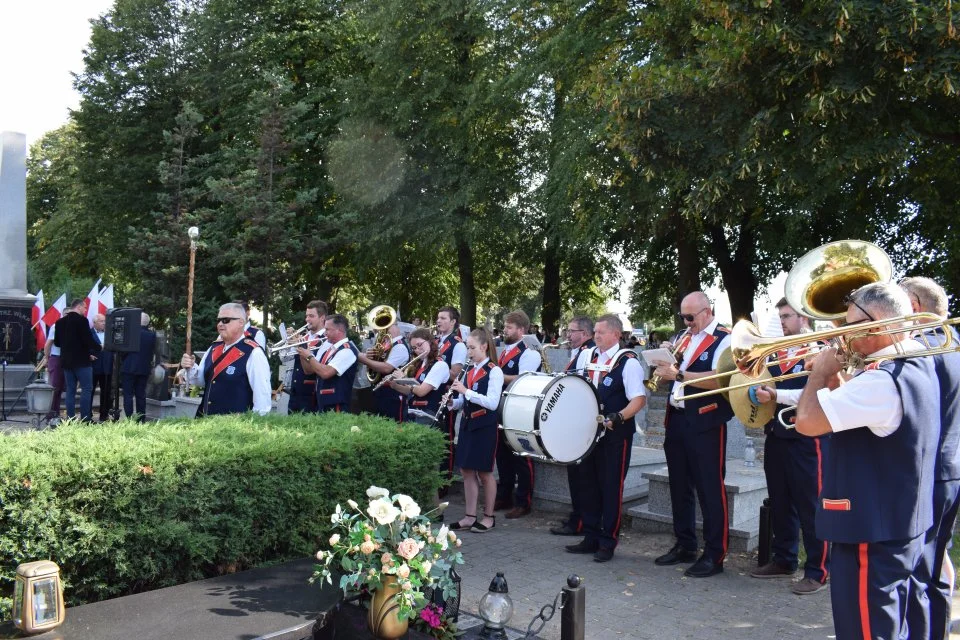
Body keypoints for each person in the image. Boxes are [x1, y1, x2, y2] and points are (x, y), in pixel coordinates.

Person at [795, 282, 938, 640]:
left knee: (865, 630)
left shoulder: (882, 380)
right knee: (891, 624)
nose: (842, 335)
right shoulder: (916, 363)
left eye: (849, 326)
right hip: (900, 523)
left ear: (874, 326)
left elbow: (808, 422)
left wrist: (820, 373)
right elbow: (860, 415)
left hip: (868, 532)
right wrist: (840, 377)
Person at [749, 298, 830, 595]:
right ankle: (784, 559)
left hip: (808, 436)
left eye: (787, 315)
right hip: (778, 432)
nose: (782, 321)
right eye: (780, 315)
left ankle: (819, 569)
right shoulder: (777, 351)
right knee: (780, 499)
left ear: (804, 318)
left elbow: (815, 392)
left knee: (810, 504)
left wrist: (775, 396)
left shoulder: (820, 349)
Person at [652, 291, 732, 578]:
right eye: (682, 317)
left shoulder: (726, 339)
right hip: (677, 418)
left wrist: (680, 375)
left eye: (690, 317)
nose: (685, 322)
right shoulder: (682, 338)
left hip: (706, 420)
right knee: (679, 486)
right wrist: (663, 363)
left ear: (707, 312)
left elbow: (723, 380)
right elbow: (668, 378)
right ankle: (685, 544)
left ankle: (715, 554)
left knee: (710, 489)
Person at [900, 276, 960, 640]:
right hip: (951, 468)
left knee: (917, 573)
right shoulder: (954, 343)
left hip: (925, 473)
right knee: (936, 564)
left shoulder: (919, 349)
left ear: (915, 308)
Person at [564, 314, 647, 562]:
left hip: (615, 435)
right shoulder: (588, 356)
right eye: (595, 332)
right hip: (589, 433)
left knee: (610, 487)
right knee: (587, 484)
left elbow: (638, 399)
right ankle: (590, 536)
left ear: (615, 334)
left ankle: (607, 541)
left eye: (601, 332)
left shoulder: (628, 362)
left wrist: (619, 417)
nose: (596, 336)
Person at [448, 328, 503, 533]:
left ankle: (489, 516)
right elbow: (464, 400)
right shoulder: (470, 370)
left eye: (471, 348)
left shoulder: (494, 370)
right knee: (466, 470)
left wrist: (466, 391)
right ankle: (469, 516)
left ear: (484, 346)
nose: (468, 352)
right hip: (468, 424)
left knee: (485, 473)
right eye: (467, 348)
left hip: (484, 426)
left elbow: (492, 402)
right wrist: (453, 402)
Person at [180, 302, 272, 416]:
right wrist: (190, 366)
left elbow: (262, 398)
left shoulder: (254, 352)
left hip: (235, 429)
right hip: (205, 422)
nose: (220, 324)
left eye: (226, 320)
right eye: (218, 320)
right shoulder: (213, 348)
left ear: (241, 322)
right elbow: (202, 381)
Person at [551, 315, 596, 537]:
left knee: (581, 476)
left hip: (581, 421)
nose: (568, 335)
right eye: (567, 331)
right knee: (575, 475)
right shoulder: (578, 352)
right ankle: (577, 516)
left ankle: (580, 521)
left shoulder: (588, 353)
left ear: (585, 334)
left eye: (572, 331)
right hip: (576, 418)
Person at [494, 310, 541, 519]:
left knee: (521, 456)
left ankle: (524, 501)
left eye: (510, 327)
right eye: (505, 326)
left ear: (521, 330)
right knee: (502, 455)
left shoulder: (529, 352)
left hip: (520, 409)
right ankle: (504, 495)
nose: (505, 330)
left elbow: (522, 380)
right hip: (502, 405)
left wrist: (496, 376)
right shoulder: (505, 350)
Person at [299, 313, 358, 413]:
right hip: (322, 403)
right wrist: (302, 351)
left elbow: (326, 373)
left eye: (327, 329)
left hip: (336, 405)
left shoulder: (347, 351)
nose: (325, 333)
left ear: (339, 330)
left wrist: (309, 356)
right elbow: (308, 370)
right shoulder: (330, 349)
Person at [391, 328, 450, 426]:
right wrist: (395, 385)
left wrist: (403, 379)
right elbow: (411, 391)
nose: (417, 350)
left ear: (430, 342)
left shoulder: (440, 365)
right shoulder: (420, 364)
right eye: (414, 348)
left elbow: (421, 391)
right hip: (413, 412)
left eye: (420, 345)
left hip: (428, 415)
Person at [54, 299, 101, 422]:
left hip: (66, 362)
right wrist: (99, 347)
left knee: (70, 390)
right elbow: (87, 340)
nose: (85, 310)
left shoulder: (59, 322)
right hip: (81, 362)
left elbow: (57, 343)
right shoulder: (82, 321)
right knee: (86, 388)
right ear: (79, 307)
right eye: (84, 308)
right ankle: (85, 418)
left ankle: (70, 418)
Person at [435, 306, 468, 478]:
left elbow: (455, 373)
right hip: (430, 394)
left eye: (443, 318)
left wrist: (436, 369)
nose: (438, 321)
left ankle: (444, 482)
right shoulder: (435, 341)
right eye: (438, 317)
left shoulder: (458, 344)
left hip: (446, 396)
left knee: (444, 438)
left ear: (453, 322)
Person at [357, 318, 410, 422]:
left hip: (392, 393)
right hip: (381, 391)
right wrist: (370, 355)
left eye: (386, 326)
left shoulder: (399, 346)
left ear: (395, 326)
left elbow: (386, 368)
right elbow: (377, 362)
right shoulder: (386, 344)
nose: (380, 330)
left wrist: (364, 360)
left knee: (392, 425)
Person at [283, 300, 327, 413]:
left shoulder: (326, 338)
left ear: (322, 318)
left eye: (311, 316)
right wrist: (287, 342)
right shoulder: (304, 337)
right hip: (295, 392)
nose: (307, 319)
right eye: (306, 316)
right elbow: (284, 358)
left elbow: (314, 366)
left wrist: (300, 344)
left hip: (311, 394)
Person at [120, 312, 157, 422]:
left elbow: (123, 351)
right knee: (141, 394)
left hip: (128, 367)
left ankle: (129, 418)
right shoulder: (152, 335)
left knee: (128, 395)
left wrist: (124, 360)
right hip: (143, 368)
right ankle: (141, 419)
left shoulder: (131, 333)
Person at [90, 314, 114, 422]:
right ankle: (87, 414)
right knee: (90, 391)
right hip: (93, 367)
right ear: (94, 323)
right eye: (101, 321)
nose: (104, 323)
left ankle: (103, 415)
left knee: (106, 392)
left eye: (104, 321)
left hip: (107, 367)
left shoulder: (110, 334)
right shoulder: (88, 333)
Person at [43, 325, 65, 423]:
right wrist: (47, 358)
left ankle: (56, 413)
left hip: (65, 359)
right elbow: (48, 344)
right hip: (56, 357)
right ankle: (50, 415)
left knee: (59, 389)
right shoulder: (57, 326)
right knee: (54, 387)